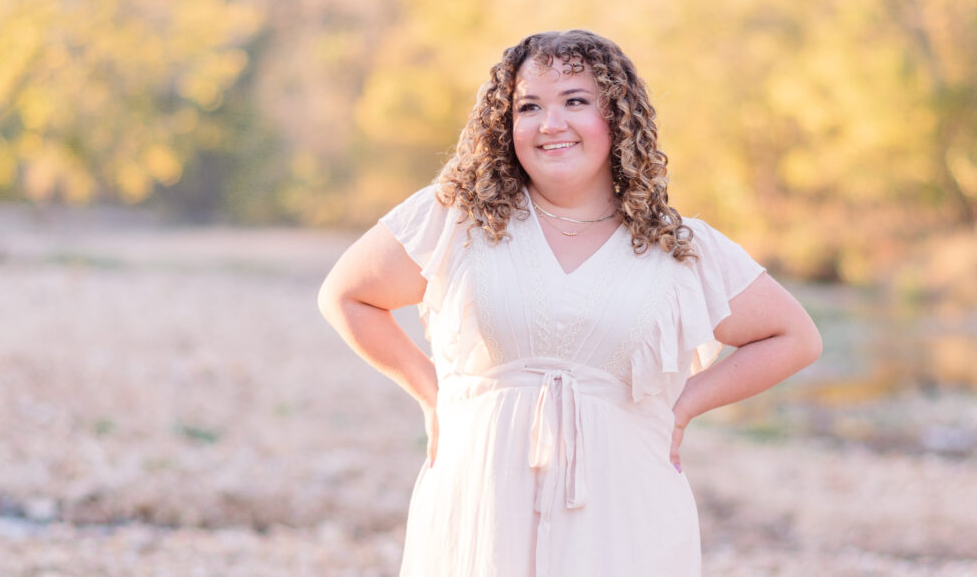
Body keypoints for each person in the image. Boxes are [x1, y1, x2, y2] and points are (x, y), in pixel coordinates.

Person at [318, 30, 822, 576]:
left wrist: (683, 408)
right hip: (480, 496)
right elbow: (346, 295)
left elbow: (795, 338)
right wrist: (429, 394)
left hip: (624, 503)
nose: (550, 124)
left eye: (575, 102)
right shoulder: (459, 217)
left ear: (617, 117)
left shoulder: (678, 247)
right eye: (529, 106)